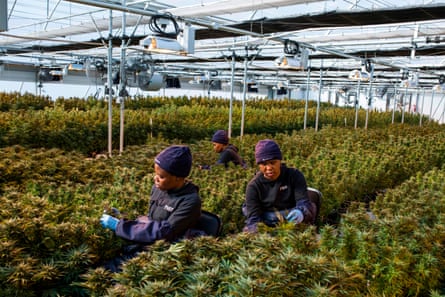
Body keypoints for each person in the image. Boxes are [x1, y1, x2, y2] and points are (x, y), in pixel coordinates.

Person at [99, 145, 203, 272]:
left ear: (178, 177)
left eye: (162, 176)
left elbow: (163, 232)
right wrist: (123, 218)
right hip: (146, 242)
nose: (155, 179)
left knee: (110, 271)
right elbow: (151, 219)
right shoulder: (160, 189)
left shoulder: (190, 202)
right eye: (155, 174)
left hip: (162, 253)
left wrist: (120, 226)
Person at [242, 139, 316, 233]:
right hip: (267, 221)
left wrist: (300, 212)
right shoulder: (253, 186)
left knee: (311, 208)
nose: (269, 168)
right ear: (259, 165)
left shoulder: (294, 176)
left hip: (293, 221)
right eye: (264, 164)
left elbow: (303, 202)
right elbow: (253, 219)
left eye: (273, 162)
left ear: (279, 161)